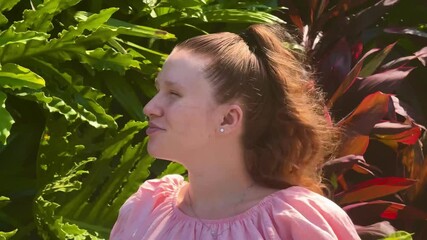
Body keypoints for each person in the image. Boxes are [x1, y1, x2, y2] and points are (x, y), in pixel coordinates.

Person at [110, 24, 361, 240]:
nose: (150, 107)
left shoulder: (295, 223)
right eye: (158, 90)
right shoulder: (145, 209)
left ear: (228, 118)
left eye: (174, 94)